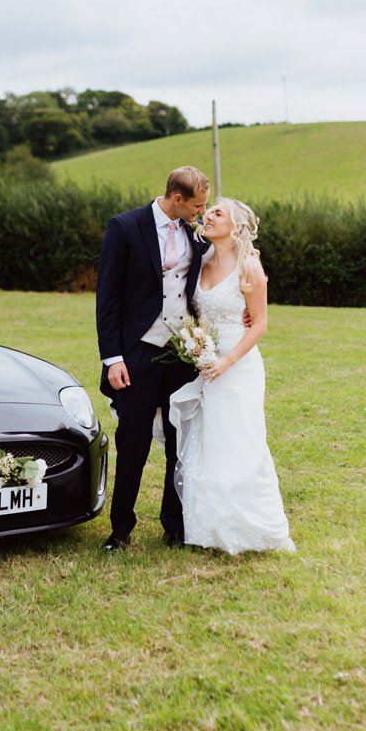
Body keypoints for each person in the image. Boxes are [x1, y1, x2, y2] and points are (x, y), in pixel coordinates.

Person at [169, 199, 295, 554]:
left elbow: (260, 324)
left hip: (238, 366)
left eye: (218, 213)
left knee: (239, 441)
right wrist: (197, 347)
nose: (208, 215)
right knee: (209, 443)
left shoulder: (248, 267)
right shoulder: (200, 260)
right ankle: (209, 528)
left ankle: (250, 527)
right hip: (204, 362)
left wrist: (227, 361)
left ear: (236, 227)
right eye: (209, 212)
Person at [96, 166, 210, 550]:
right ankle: (120, 529)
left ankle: (174, 527)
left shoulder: (197, 233)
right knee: (134, 443)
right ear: (177, 199)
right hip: (138, 352)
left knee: (180, 443)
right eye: (198, 205)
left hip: (181, 355)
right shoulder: (125, 227)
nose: (202, 212)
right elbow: (107, 299)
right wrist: (112, 358)